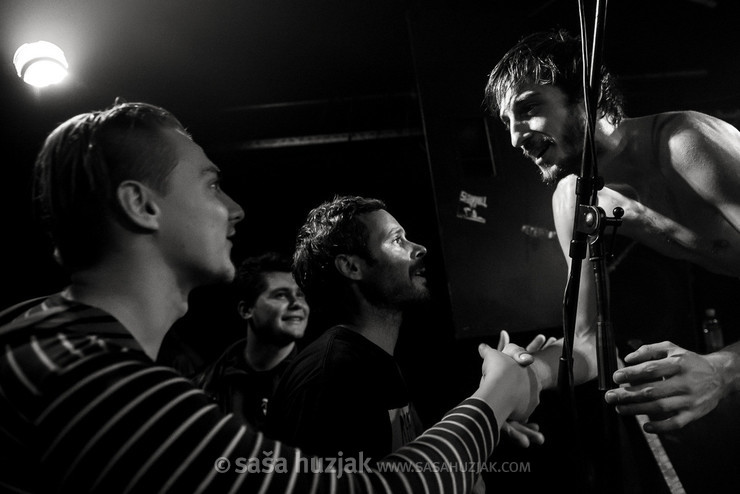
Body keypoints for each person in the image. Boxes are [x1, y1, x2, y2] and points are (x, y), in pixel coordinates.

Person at [0, 100, 542, 493]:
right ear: (142, 206)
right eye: (211, 185)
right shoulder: (92, 382)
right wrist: (492, 398)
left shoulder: (56, 349)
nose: (235, 209)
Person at [485, 29, 740, 433]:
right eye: (507, 122)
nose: (516, 137)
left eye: (529, 107)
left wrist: (724, 370)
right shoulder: (576, 202)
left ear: (590, 96)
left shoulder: (686, 145)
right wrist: (525, 377)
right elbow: (587, 343)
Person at [268, 196, 546, 465]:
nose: (420, 248)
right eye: (396, 239)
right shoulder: (330, 376)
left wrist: (487, 421)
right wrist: (494, 396)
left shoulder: (372, 360)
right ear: (352, 266)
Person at [195, 252, 309, 430]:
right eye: (280, 295)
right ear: (246, 310)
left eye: (300, 295)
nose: (297, 303)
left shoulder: (318, 385)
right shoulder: (204, 385)